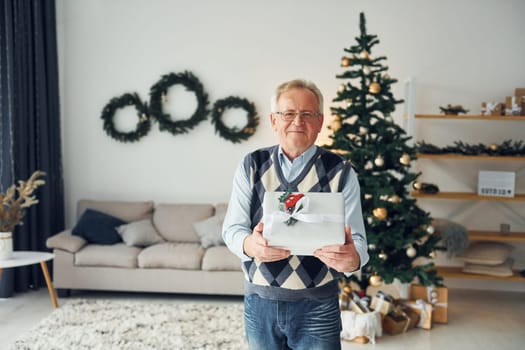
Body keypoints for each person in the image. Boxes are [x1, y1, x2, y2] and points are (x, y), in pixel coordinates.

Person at [222, 78, 369, 350]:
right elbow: (232, 230)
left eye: (307, 114)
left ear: (320, 121)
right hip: (260, 304)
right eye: (288, 113)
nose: (297, 121)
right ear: (274, 120)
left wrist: (353, 259)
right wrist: (250, 245)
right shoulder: (251, 165)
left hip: (318, 306)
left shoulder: (341, 171)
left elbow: (358, 239)